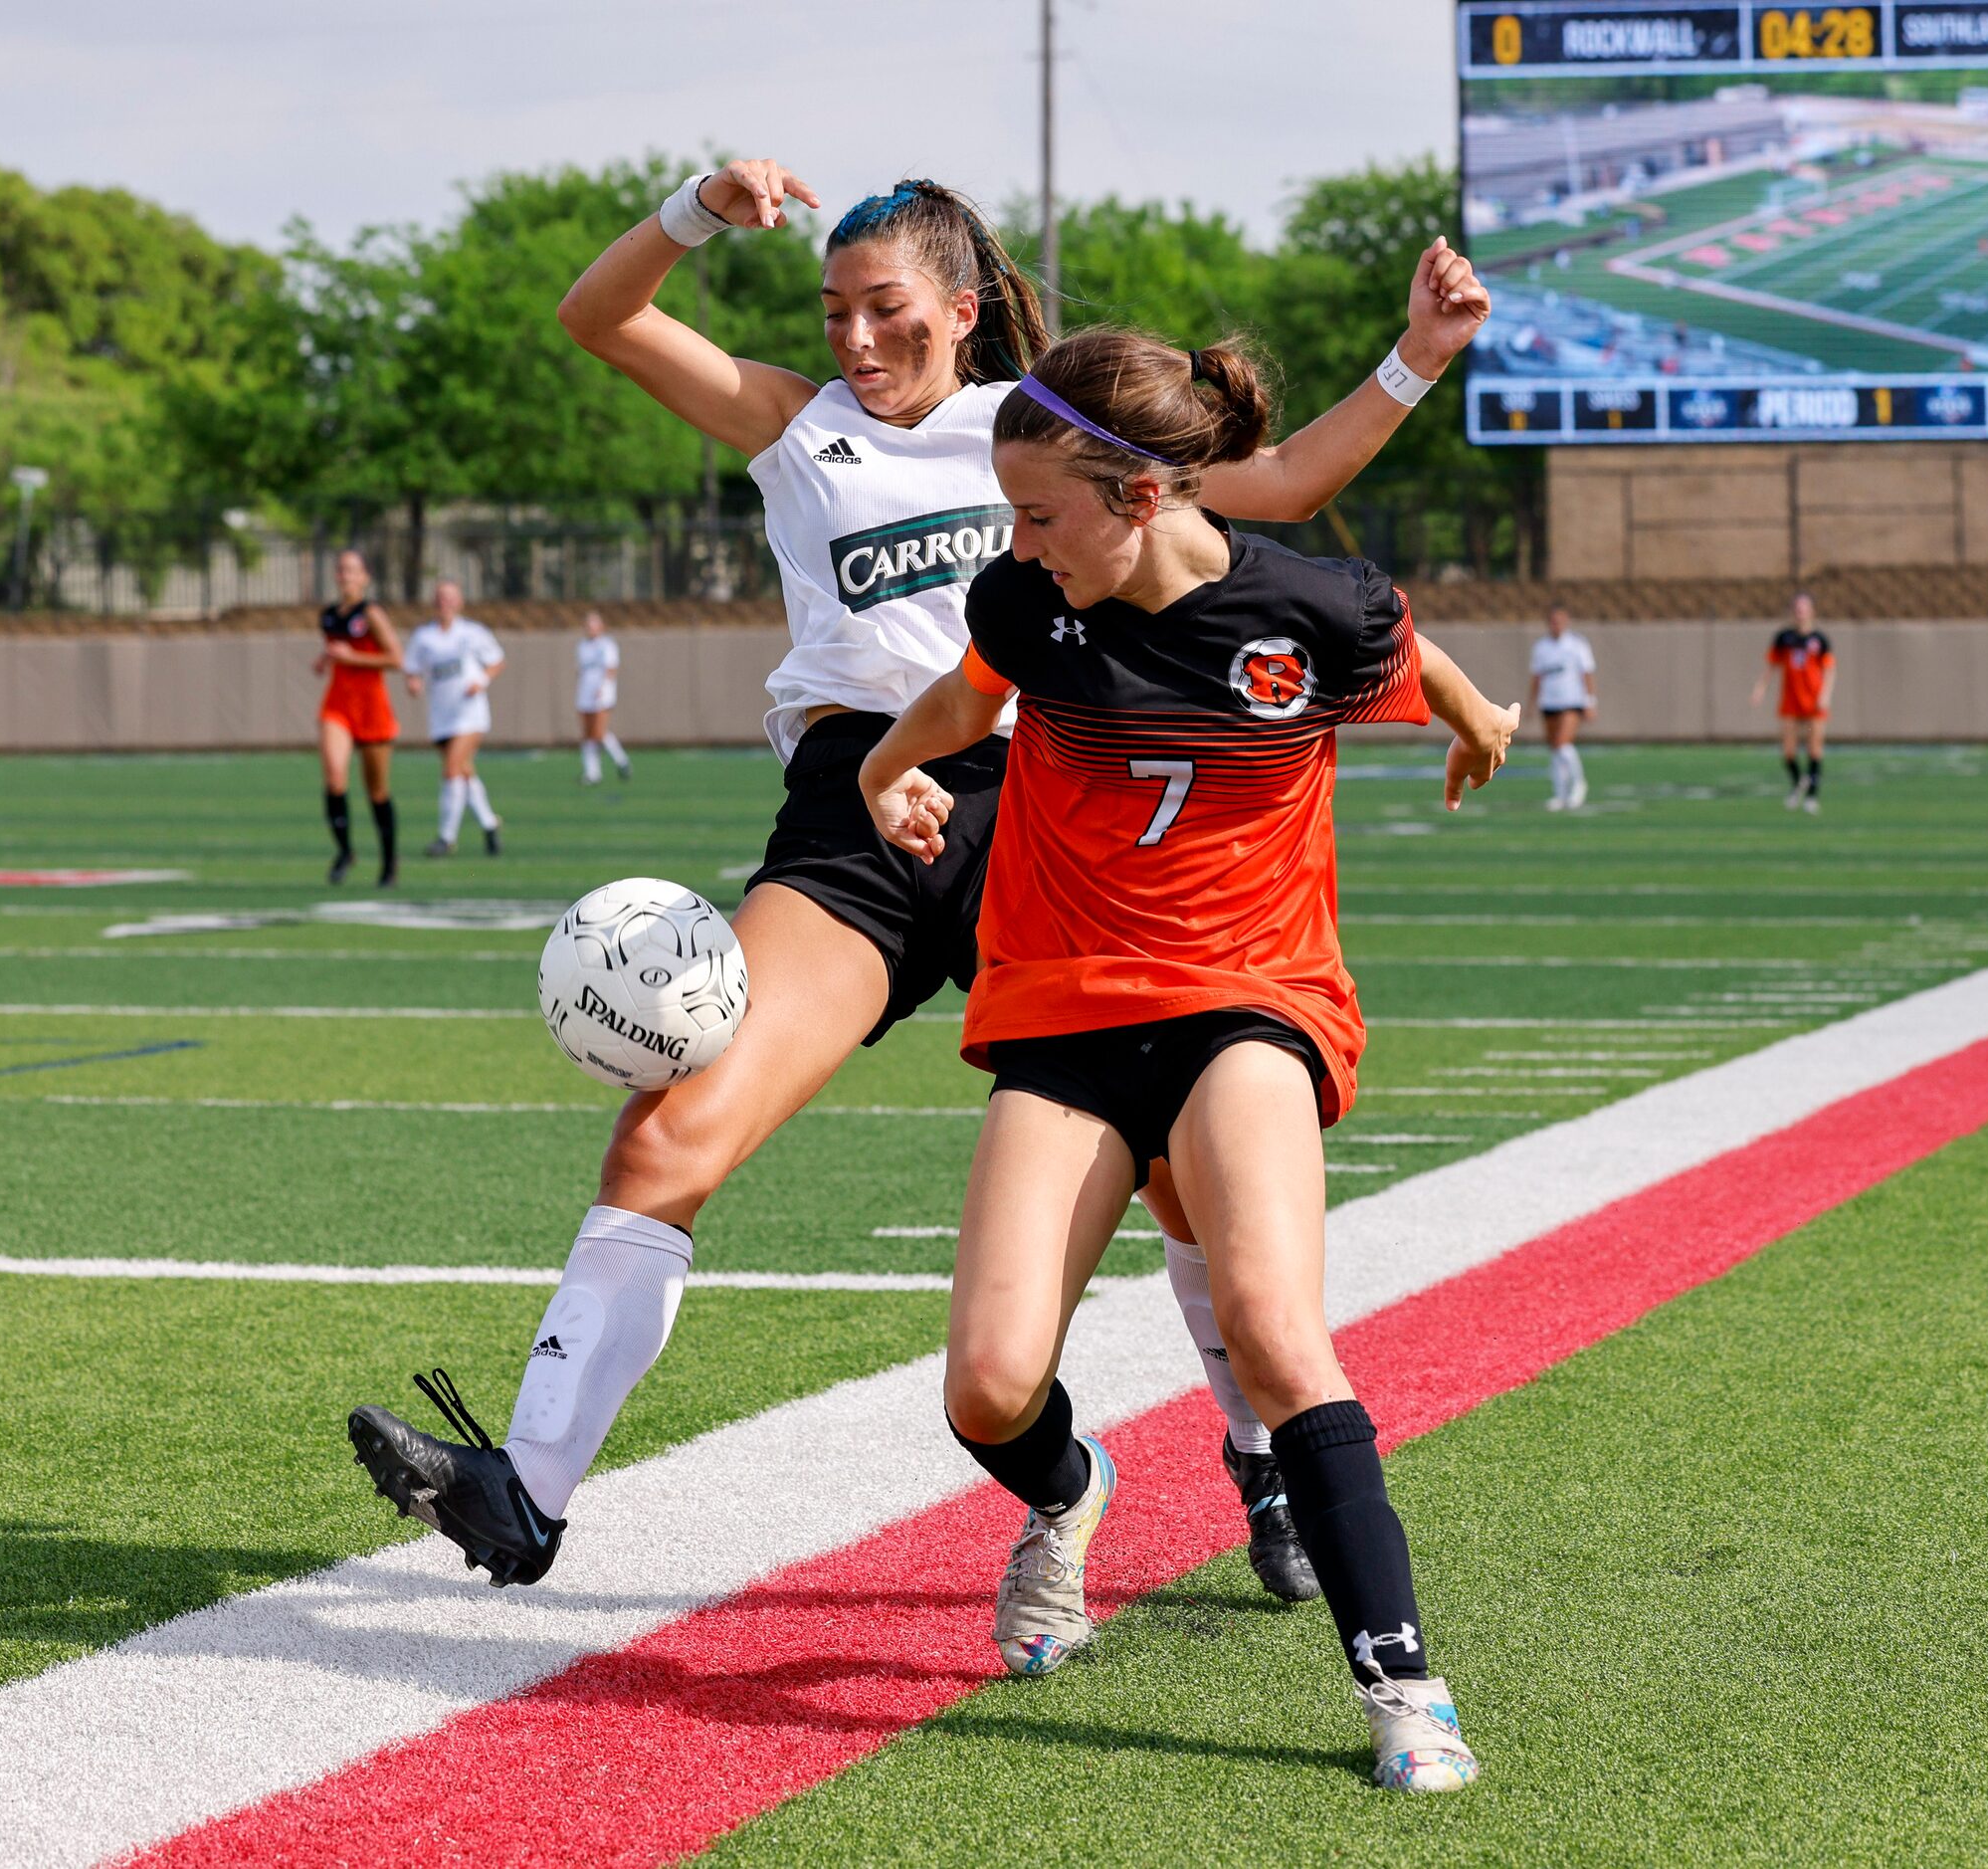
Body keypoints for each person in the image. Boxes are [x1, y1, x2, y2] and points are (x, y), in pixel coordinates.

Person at [345, 158, 1491, 1602]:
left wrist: (1417, 355)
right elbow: (601, 315)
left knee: (1180, 1174)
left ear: (960, 307)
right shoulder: (793, 424)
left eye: (883, 308)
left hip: (1056, 799)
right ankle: (526, 1490)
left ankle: (1262, 1463)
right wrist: (696, 210)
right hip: (855, 807)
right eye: (832, 311)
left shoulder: (1040, 435)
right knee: (670, 1132)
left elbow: (1293, 483)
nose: (853, 339)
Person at [857, 327, 1516, 1791]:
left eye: (1040, 514)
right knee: (984, 1385)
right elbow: (966, 702)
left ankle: (1406, 1686)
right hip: (1064, 1012)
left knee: (1280, 1330)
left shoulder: (1316, 610)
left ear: (1143, 496)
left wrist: (1477, 719)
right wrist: (877, 767)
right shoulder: (1028, 605)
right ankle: (1076, 1486)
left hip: (1251, 1001)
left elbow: (1410, 653)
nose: (1018, 544)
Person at [315, 548, 404, 886]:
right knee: (335, 778)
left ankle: (389, 862)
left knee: (377, 792)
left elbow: (395, 659)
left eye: (352, 570)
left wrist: (351, 657)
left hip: (371, 708)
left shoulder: (372, 614)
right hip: (338, 704)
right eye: (340, 570)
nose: (344, 576)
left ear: (365, 577)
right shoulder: (328, 615)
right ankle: (345, 851)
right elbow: (336, 653)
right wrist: (324, 660)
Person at [403, 580, 505, 857]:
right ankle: (489, 824)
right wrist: (413, 683)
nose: (444, 603)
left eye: (450, 598)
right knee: (464, 773)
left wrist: (481, 680)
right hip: (441, 716)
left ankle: (446, 838)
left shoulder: (472, 632)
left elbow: (497, 660)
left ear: (459, 602)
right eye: (440, 598)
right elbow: (412, 669)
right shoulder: (424, 637)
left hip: (470, 714)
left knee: (451, 770)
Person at [1751, 592, 1834, 812]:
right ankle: (1798, 782)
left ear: (1812, 611)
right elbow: (1771, 667)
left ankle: (1812, 797)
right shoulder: (1783, 638)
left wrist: (1825, 695)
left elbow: (1829, 671)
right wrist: (1760, 689)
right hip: (1791, 700)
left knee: (1815, 749)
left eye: (1804, 608)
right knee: (1788, 751)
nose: (1800, 612)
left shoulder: (1820, 640)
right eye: (1797, 608)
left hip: (1814, 701)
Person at [1528, 603, 1595, 811]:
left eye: (1560, 620)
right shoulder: (1541, 647)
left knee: (1562, 743)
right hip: (1549, 702)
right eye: (1552, 621)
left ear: (1566, 621)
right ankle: (1560, 793)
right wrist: (1532, 703)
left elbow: (1587, 674)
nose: (1556, 624)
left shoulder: (1577, 645)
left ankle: (1578, 784)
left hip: (1571, 701)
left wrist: (1590, 701)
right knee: (1555, 748)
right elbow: (1537, 677)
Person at [576, 609, 630, 785]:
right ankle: (592, 773)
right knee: (587, 734)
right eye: (588, 625)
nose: (590, 629)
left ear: (601, 627)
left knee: (599, 732)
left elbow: (611, 668)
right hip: (585, 692)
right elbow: (581, 671)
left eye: (594, 625)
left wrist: (603, 687)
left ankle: (621, 760)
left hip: (601, 693)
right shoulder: (582, 646)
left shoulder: (607, 645)